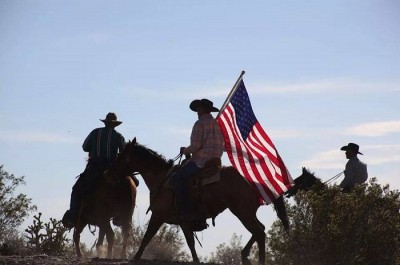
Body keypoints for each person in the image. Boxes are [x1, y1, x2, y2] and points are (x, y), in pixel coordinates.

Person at [62, 112, 126, 228]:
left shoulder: (96, 132)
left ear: (105, 122)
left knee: (76, 189)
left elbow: (85, 147)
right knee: (125, 189)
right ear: (115, 125)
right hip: (112, 169)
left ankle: (73, 216)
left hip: (94, 168)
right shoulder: (119, 136)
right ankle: (121, 216)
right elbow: (123, 154)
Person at [172, 98, 225, 229]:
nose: (197, 112)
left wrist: (185, 150)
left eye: (198, 109)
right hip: (215, 160)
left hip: (201, 161)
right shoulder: (217, 123)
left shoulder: (199, 123)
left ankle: (187, 212)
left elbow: (195, 146)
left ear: (202, 109)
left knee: (177, 178)